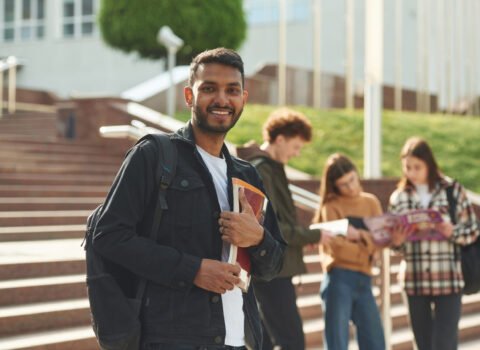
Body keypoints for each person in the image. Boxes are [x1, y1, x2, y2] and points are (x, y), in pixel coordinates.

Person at [93, 48, 286, 350]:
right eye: (209, 88)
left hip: (240, 340)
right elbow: (109, 236)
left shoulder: (248, 174)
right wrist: (193, 270)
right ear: (188, 95)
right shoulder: (153, 155)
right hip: (171, 339)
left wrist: (259, 238)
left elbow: (274, 265)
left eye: (232, 90)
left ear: (243, 99)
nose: (222, 100)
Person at [237, 108, 323, 349]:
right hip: (271, 267)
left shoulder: (271, 168)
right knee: (291, 339)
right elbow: (274, 226)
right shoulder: (263, 169)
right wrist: (315, 234)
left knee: (266, 339)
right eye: (296, 146)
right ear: (280, 139)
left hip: (272, 265)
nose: (297, 153)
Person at [388, 137, 479, 350]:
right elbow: (394, 243)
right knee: (423, 345)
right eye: (407, 167)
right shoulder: (399, 197)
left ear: (429, 164)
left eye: (417, 167)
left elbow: (473, 230)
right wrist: (397, 241)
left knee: (444, 344)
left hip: (448, 279)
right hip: (414, 280)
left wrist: (452, 231)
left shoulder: (452, 190)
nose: (411, 172)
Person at [312, 153, 385, 350]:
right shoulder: (331, 206)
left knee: (376, 343)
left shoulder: (371, 202)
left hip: (364, 279)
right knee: (337, 344)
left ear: (357, 174)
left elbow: (380, 240)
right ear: (334, 186)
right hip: (338, 280)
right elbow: (337, 249)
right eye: (344, 184)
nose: (351, 187)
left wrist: (359, 235)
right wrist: (367, 249)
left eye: (352, 180)